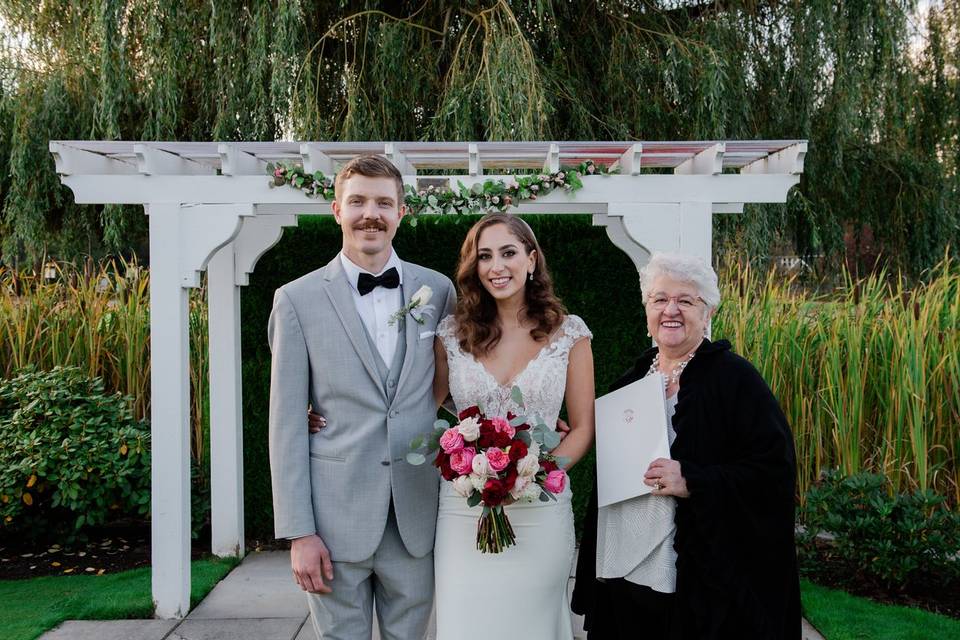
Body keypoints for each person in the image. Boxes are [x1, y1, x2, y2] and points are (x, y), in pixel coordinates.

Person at [267, 154, 456, 640]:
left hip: (415, 514)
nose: (370, 213)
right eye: (357, 201)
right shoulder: (296, 299)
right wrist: (299, 533)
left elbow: (459, 382)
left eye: (383, 202)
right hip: (333, 520)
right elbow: (285, 424)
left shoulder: (437, 290)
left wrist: (521, 421)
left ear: (401, 212)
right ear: (336, 210)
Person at [572, 252, 801, 640]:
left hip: (701, 581)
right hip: (628, 571)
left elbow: (774, 471)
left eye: (686, 300)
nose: (670, 310)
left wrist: (692, 479)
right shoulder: (630, 381)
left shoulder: (736, 380)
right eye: (660, 299)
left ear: (707, 311)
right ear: (647, 309)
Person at [431, 212, 596, 640]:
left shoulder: (569, 334)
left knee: (534, 623)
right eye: (484, 256)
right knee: (467, 622)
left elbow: (581, 428)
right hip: (463, 512)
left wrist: (533, 474)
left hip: (540, 508)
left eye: (508, 253)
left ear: (531, 259)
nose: (496, 266)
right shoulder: (452, 334)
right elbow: (416, 406)